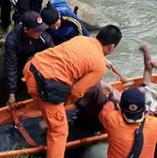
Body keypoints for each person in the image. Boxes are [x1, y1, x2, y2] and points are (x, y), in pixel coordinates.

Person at [22, 24, 122, 158]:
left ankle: (48, 115)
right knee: (59, 131)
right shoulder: (99, 65)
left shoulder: (81, 39)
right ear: (112, 47)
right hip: (45, 84)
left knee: (53, 100)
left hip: (31, 69)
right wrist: (64, 106)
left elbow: (76, 56)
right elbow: (77, 91)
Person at [4, 11, 54, 105]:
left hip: (33, 59)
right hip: (16, 59)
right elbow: (11, 66)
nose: (40, 32)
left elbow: (52, 54)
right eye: (36, 30)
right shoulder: (12, 40)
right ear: (26, 29)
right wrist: (12, 93)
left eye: (41, 29)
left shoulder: (43, 36)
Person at [99, 87, 157, 158]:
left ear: (120, 108)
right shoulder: (155, 124)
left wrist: (111, 101)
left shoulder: (112, 119)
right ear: (144, 108)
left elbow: (103, 113)